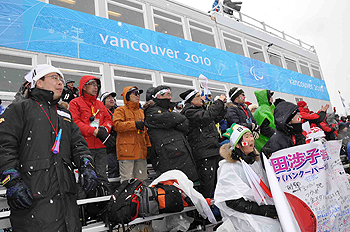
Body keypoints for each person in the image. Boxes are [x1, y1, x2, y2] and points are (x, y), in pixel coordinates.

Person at [0, 64, 97, 231]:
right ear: (39, 82)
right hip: (33, 195)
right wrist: (12, 181)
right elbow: (4, 145)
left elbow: (79, 145)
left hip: (66, 196)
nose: (60, 82)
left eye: (61, 79)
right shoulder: (20, 108)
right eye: (54, 78)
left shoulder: (65, 114)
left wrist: (87, 166)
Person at [215, 123, 281, 231]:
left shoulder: (253, 161)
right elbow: (231, 201)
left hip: (259, 207)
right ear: (237, 144)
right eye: (246, 137)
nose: (251, 139)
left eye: (251, 136)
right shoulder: (229, 167)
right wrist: (261, 210)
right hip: (241, 214)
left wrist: (266, 161)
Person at [144, 85, 198, 181]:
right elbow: (170, 119)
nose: (170, 97)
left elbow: (185, 125)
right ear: (159, 96)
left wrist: (175, 118)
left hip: (181, 152)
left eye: (170, 95)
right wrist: (176, 117)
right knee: (173, 185)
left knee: (187, 184)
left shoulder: (169, 110)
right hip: (169, 155)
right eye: (167, 94)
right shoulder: (151, 111)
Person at [69, 76, 113, 192]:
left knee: (102, 177)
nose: (95, 87)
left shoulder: (99, 104)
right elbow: (75, 123)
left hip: (100, 147)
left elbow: (109, 119)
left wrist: (104, 129)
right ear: (84, 86)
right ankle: (83, 207)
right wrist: (93, 131)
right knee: (86, 178)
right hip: (84, 148)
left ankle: (104, 203)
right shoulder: (75, 103)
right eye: (92, 84)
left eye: (96, 85)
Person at [180, 89, 226, 198]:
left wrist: (222, 106)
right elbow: (207, 117)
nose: (201, 98)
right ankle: (205, 211)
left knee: (218, 181)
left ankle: (214, 208)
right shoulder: (189, 112)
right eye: (198, 96)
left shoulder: (201, 110)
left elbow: (216, 117)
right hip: (203, 152)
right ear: (191, 101)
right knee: (207, 185)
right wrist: (218, 102)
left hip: (213, 150)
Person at [113, 86, 151, 182]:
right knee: (127, 181)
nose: (138, 95)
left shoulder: (141, 112)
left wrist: (149, 146)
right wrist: (134, 124)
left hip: (141, 152)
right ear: (128, 96)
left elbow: (145, 131)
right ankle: (129, 197)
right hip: (126, 152)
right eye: (135, 93)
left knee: (142, 180)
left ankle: (142, 197)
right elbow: (117, 126)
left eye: (139, 93)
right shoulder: (120, 110)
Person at [100, 91, 119, 178]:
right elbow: (95, 127)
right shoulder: (99, 112)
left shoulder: (118, 111)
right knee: (112, 167)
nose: (111, 100)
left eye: (112, 98)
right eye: (108, 98)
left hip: (119, 145)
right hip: (107, 146)